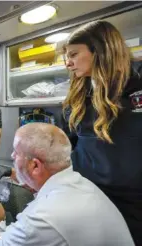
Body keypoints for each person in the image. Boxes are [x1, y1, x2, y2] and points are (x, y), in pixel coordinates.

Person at [0, 123, 135, 246]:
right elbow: (42, 185)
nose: (12, 156)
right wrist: (13, 174)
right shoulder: (80, 183)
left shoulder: (42, 217)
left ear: (35, 165)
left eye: (16, 152)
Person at [62, 20, 142, 245]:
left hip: (132, 203)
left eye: (74, 54)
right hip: (88, 195)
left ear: (100, 50)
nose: (68, 63)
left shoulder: (136, 86)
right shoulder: (78, 96)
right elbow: (67, 143)